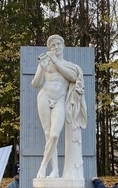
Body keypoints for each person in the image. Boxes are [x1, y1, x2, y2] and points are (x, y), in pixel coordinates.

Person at [32, 34, 87, 179]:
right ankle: (54, 170)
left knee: (54, 135)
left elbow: (73, 77)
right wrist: (42, 68)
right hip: (44, 96)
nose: (56, 47)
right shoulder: (45, 64)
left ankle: (43, 166)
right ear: (49, 48)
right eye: (52, 46)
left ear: (63, 46)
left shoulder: (68, 65)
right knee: (47, 133)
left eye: (58, 44)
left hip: (60, 100)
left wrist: (56, 61)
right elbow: (36, 84)